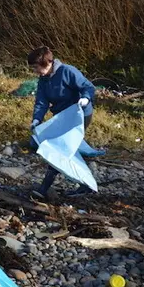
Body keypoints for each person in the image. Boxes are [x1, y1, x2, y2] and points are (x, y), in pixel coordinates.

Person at [28, 46, 96, 199]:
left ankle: (44, 189)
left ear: (46, 63)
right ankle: (85, 184)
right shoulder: (43, 80)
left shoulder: (67, 71)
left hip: (80, 115)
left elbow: (88, 86)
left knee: (61, 148)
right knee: (64, 148)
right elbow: (41, 101)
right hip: (62, 117)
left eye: (36, 67)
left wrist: (85, 98)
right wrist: (36, 119)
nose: (35, 71)